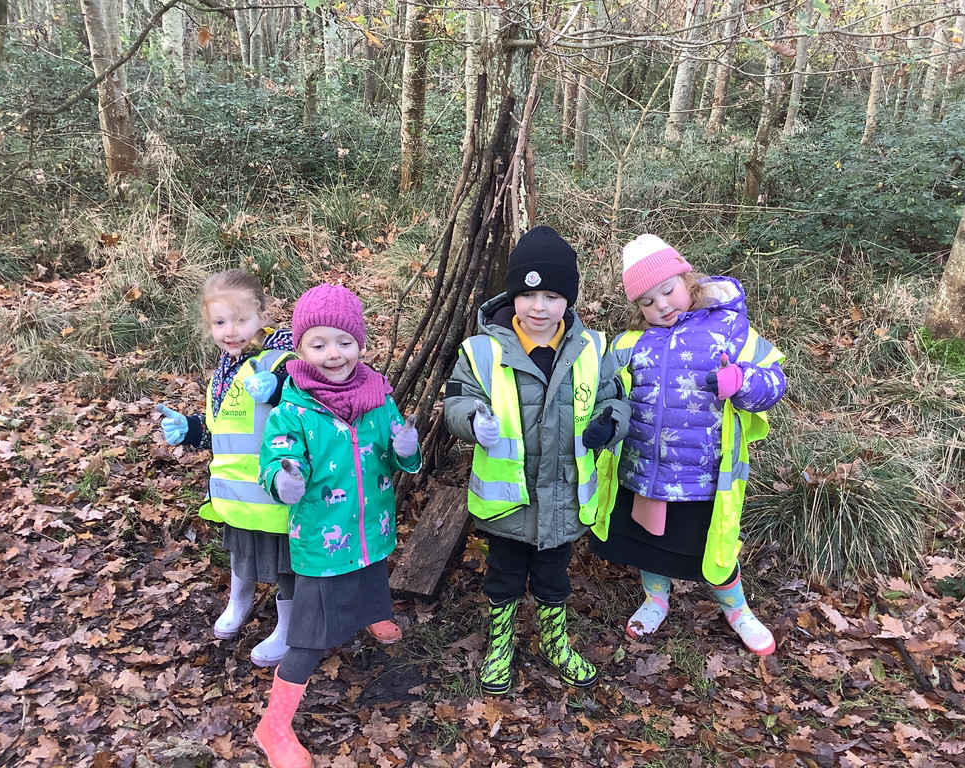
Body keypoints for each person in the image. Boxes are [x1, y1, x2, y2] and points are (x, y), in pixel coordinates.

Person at [443, 225, 630, 695]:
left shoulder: (593, 349)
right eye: (527, 295)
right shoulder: (482, 350)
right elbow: (457, 401)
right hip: (508, 501)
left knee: (553, 577)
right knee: (504, 576)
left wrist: (609, 424)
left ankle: (554, 641)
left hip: (564, 497)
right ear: (512, 295)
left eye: (551, 295)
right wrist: (472, 420)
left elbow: (615, 399)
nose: (538, 307)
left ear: (568, 299)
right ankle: (500, 644)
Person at [590, 234, 786, 656]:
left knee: (713, 548)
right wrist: (604, 422)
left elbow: (774, 381)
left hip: (704, 475)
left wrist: (741, 381)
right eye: (647, 301)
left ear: (686, 277)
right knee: (649, 542)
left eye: (668, 290)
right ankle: (655, 599)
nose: (661, 305)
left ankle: (737, 610)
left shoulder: (730, 328)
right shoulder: (629, 343)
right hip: (644, 470)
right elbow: (606, 394)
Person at [253, 284, 421, 768]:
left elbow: (398, 455)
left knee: (371, 576)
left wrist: (407, 450)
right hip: (324, 540)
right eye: (319, 344)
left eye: (345, 342)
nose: (334, 354)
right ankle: (274, 726)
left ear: (359, 343)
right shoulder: (293, 408)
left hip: (371, 527)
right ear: (300, 348)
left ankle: (370, 614)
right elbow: (278, 458)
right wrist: (283, 479)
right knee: (309, 635)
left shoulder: (378, 396)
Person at [156, 268, 295, 667]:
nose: (230, 331)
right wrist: (191, 430)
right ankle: (239, 602)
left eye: (240, 320)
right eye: (219, 322)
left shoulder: (280, 361)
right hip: (237, 493)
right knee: (241, 551)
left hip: (276, 492)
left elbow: (306, 398)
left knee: (287, 562)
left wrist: (280, 389)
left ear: (262, 314)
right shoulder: (224, 370)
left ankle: (288, 628)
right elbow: (224, 430)